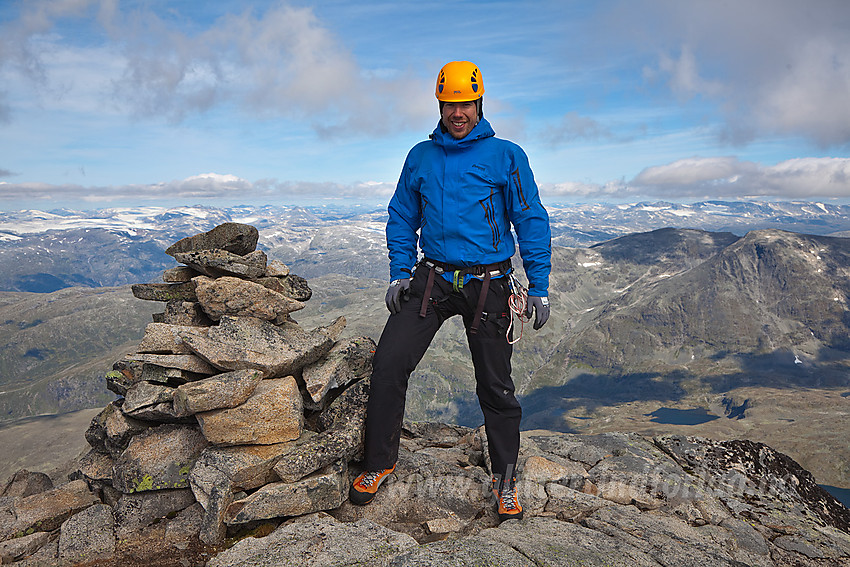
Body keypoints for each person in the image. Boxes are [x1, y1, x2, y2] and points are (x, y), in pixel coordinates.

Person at [349, 61, 552, 522]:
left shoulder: (507, 155)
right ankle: (379, 463)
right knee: (388, 364)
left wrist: (538, 285)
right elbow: (402, 215)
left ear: (479, 103)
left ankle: (505, 480)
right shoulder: (421, 156)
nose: (456, 112)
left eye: (464, 103)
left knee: (496, 386)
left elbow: (530, 218)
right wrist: (401, 270)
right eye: (448, 104)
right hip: (433, 279)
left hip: (491, 284)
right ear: (439, 105)